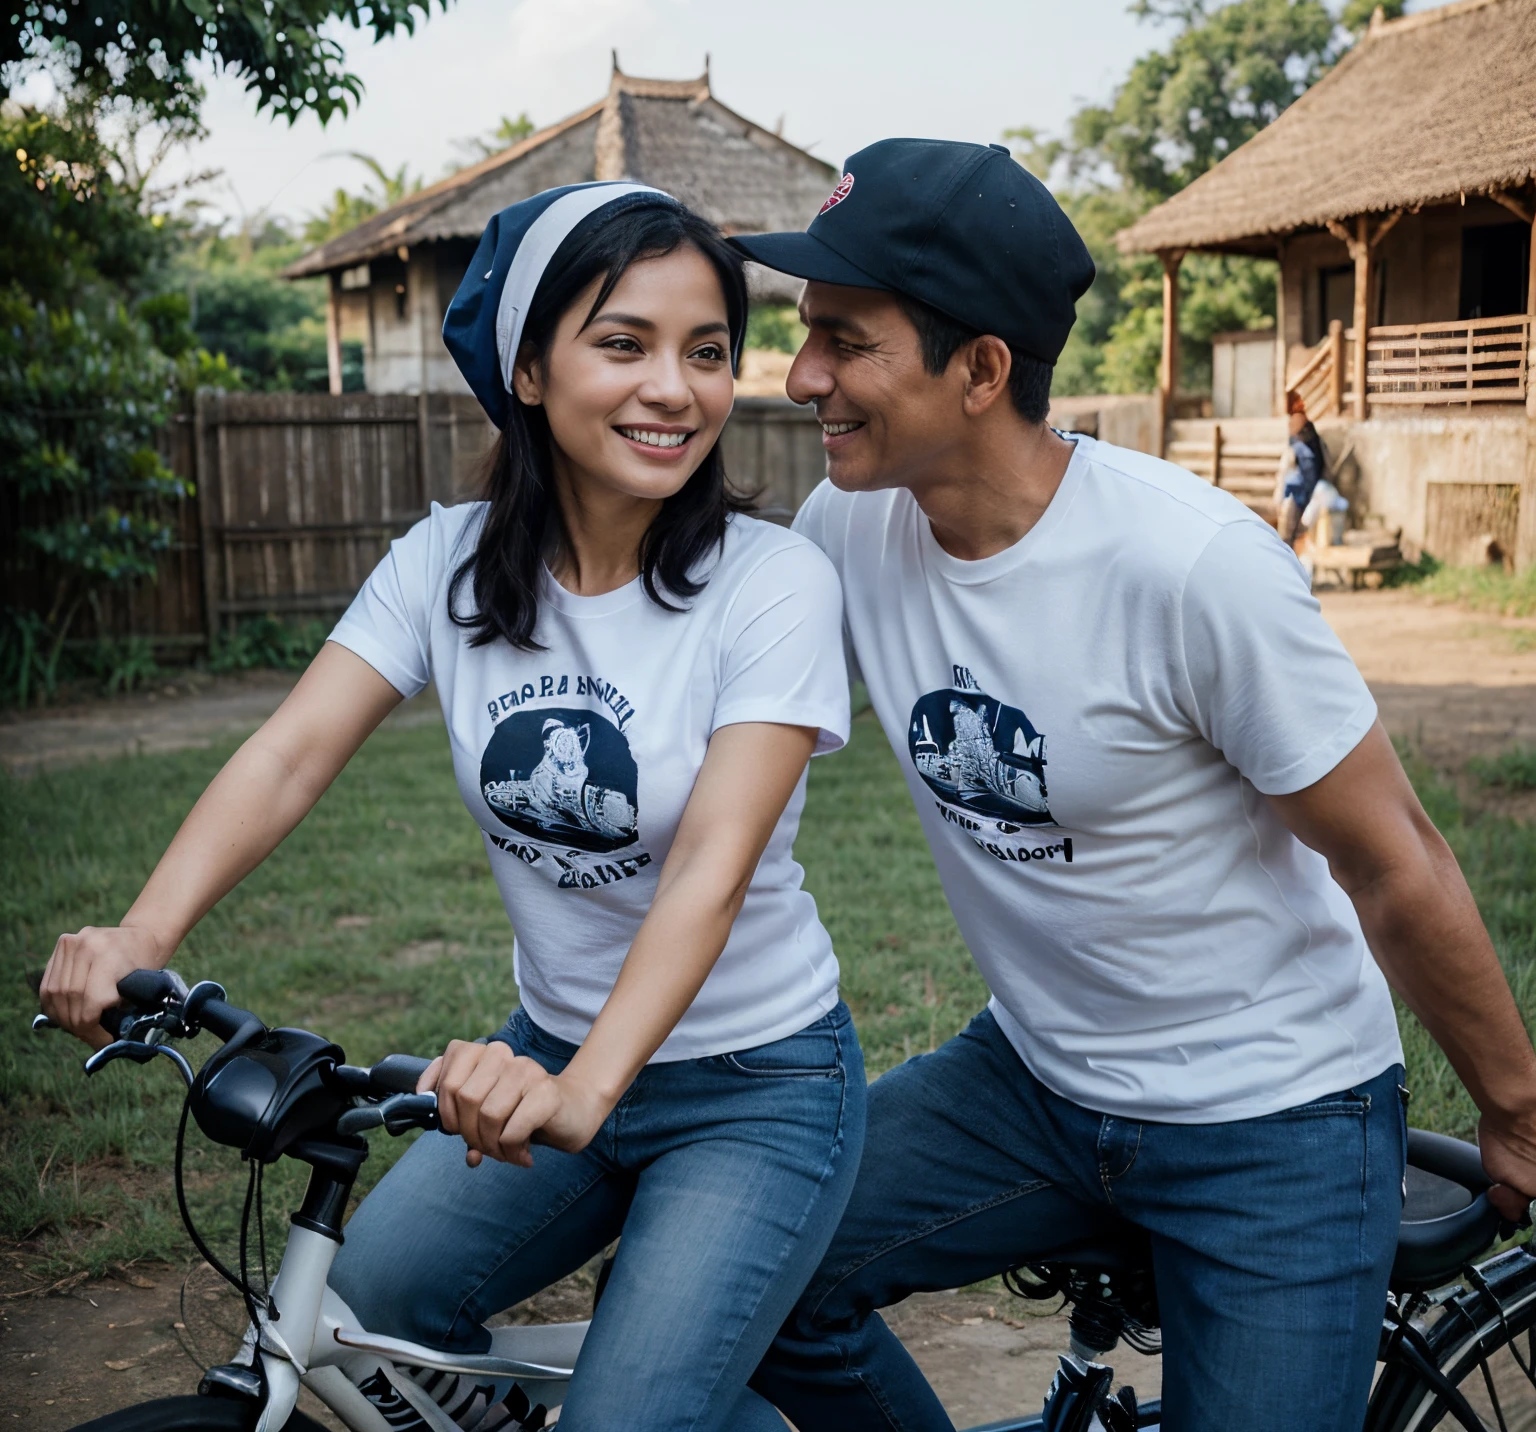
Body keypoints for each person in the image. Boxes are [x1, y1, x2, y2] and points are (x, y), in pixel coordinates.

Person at [726, 139, 1536, 1431]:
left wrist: (1516, 1111)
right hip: (1035, 1081)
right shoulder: (845, 529)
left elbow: (1395, 859)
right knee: (741, 1281)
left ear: (982, 366)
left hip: (1276, 1119)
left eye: (845, 338)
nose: (800, 375)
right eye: (805, 333)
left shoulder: (1191, 568)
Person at [38, 184, 866, 1432]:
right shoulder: (448, 560)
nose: (676, 389)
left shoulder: (773, 582)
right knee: (356, 1325)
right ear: (530, 367)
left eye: (707, 353)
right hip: (545, 1049)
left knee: (628, 1420)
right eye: (623, 343)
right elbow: (288, 755)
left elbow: (713, 866)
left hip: (758, 1084)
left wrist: (589, 1089)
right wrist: (143, 934)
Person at [1278, 390, 1327, 545]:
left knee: (1292, 523)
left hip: (1305, 484)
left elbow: (1310, 466)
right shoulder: (1303, 428)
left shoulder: (1300, 426)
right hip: (1303, 482)